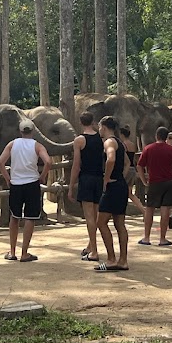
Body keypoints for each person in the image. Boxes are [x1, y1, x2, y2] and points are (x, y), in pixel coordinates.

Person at [0, 121, 52, 263]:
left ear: (20, 131)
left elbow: (0, 162)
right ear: (33, 131)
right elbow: (48, 162)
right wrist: (42, 176)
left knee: (14, 217)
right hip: (32, 183)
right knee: (30, 217)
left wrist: (8, 178)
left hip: (16, 184)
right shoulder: (37, 146)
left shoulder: (12, 144)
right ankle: (25, 252)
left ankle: (12, 251)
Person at [136, 126, 172, 246]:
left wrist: (144, 180)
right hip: (169, 182)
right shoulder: (171, 150)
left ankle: (146, 237)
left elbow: (139, 166)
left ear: (156, 136)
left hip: (154, 182)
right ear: (166, 137)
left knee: (150, 209)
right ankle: (162, 238)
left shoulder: (148, 149)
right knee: (165, 209)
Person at [93, 116, 130, 272]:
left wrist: (107, 178)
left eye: (100, 127)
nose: (99, 130)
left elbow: (111, 159)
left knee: (101, 222)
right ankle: (123, 260)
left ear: (104, 127)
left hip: (113, 187)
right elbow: (128, 162)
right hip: (121, 185)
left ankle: (111, 259)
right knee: (119, 224)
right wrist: (121, 176)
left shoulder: (109, 142)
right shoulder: (120, 143)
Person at [68, 111, 104, 262]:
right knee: (95, 215)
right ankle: (90, 246)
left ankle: (94, 251)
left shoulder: (79, 140)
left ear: (81, 122)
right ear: (93, 121)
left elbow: (77, 165)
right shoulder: (100, 139)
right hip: (99, 178)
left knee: (89, 216)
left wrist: (71, 186)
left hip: (86, 179)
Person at [119, 127, 145, 213]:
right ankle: (143, 210)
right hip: (133, 168)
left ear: (122, 134)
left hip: (126, 169)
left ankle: (119, 211)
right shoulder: (133, 144)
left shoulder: (122, 145)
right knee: (130, 193)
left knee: (120, 191)